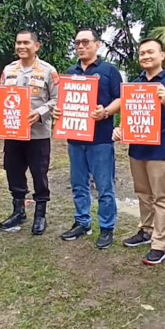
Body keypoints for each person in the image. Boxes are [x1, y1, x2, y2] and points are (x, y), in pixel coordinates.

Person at [113, 38, 165, 265]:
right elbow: (129, 115)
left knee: (161, 198)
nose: (145, 56)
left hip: (160, 152)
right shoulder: (135, 84)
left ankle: (160, 244)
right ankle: (146, 230)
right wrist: (120, 129)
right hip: (137, 150)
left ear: (162, 55)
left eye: (150, 52)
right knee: (143, 194)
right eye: (142, 53)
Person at [53, 28, 122, 249]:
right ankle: (83, 222)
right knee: (78, 184)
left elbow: (121, 98)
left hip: (100, 139)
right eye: (77, 43)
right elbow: (63, 102)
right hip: (75, 138)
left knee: (104, 186)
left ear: (97, 44)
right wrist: (58, 112)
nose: (81, 46)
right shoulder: (70, 72)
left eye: (85, 42)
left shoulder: (109, 71)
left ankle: (107, 227)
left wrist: (106, 112)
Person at [0, 31, 59, 235]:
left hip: (38, 134)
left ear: (37, 46)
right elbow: (1, 97)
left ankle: (40, 215)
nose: (21, 46)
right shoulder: (9, 69)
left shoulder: (48, 71)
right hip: (13, 133)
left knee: (39, 173)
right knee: (13, 171)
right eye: (18, 42)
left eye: (26, 42)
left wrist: (40, 113)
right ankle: (18, 211)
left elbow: (57, 99)